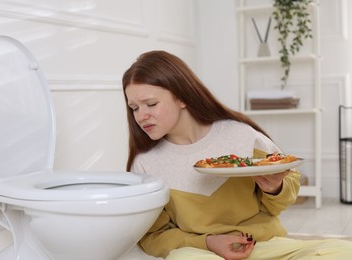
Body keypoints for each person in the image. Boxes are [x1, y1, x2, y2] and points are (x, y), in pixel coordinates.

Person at [122, 50, 352, 260]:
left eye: (150, 104)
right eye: (134, 108)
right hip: (200, 251)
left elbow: (286, 192)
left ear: (182, 97)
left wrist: (275, 188)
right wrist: (208, 242)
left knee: (342, 251)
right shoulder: (145, 164)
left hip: (262, 245)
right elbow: (153, 236)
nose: (141, 116)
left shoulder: (241, 135)